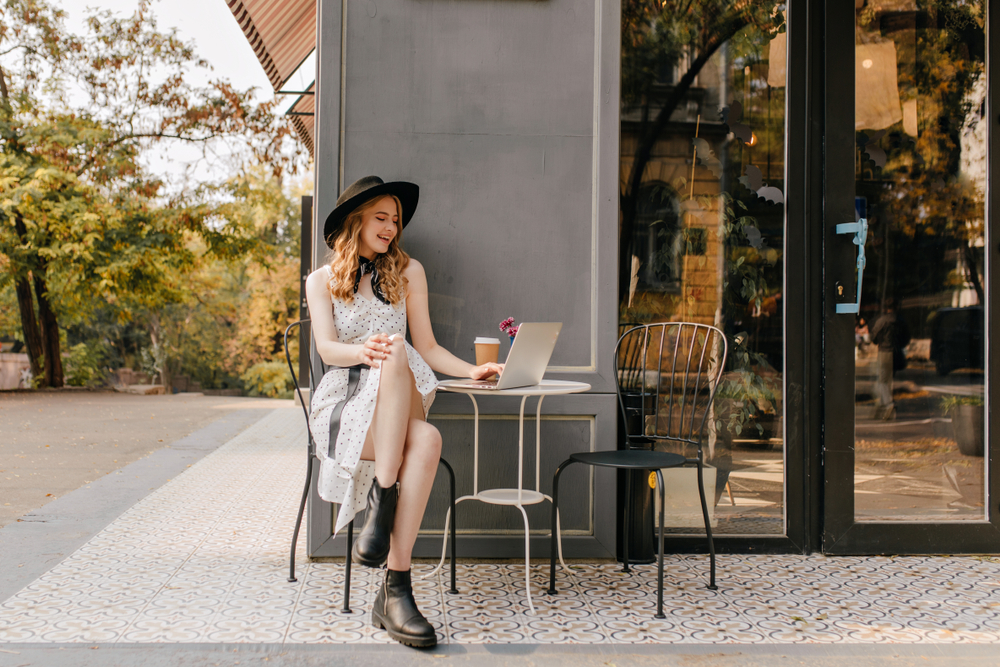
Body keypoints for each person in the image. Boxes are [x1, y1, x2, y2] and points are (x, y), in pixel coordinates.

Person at [305, 176, 503, 649]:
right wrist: (364, 352)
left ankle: (383, 498)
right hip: (347, 399)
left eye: (396, 220)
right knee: (429, 439)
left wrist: (474, 371)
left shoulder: (409, 272)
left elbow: (429, 347)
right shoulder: (320, 280)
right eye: (381, 217)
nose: (392, 227)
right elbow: (328, 350)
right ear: (355, 219)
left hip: (402, 389)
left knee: (399, 349)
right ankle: (396, 590)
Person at [870, 301, 910, 420]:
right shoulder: (901, 321)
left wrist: (880, 342)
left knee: (882, 380)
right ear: (896, 307)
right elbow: (906, 337)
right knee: (889, 380)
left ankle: (888, 404)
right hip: (896, 352)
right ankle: (883, 407)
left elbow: (874, 337)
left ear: (886, 308)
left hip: (884, 351)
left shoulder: (882, 321)